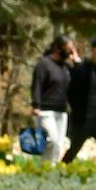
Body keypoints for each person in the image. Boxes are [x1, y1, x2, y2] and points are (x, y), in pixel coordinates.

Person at [31, 35, 77, 165]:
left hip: (62, 111)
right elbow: (37, 84)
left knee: (59, 144)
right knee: (52, 140)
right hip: (46, 110)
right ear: (57, 48)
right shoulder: (44, 64)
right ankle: (44, 167)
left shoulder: (66, 67)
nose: (69, 52)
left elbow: (78, 82)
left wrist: (76, 62)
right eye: (68, 48)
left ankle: (52, 168)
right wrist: (36, 105)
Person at [66, 37, 96, 162]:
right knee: (74, 149)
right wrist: (77, 110)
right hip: (83, 119)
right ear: (93, 50)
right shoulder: (81, 69)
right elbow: (71, 93)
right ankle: (61, 168)